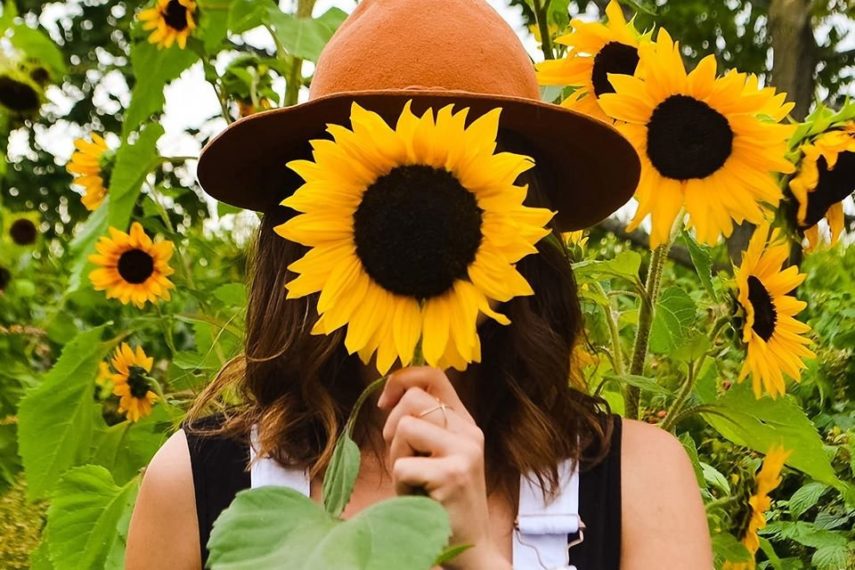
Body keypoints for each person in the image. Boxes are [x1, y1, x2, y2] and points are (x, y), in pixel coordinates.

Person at [126, 0, 713, 568]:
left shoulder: (637, 480)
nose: (417, 229)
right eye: (392, 199)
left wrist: (478, 555)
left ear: (524, 228)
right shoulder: (198, 481)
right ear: (305, 223)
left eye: (448, 203)